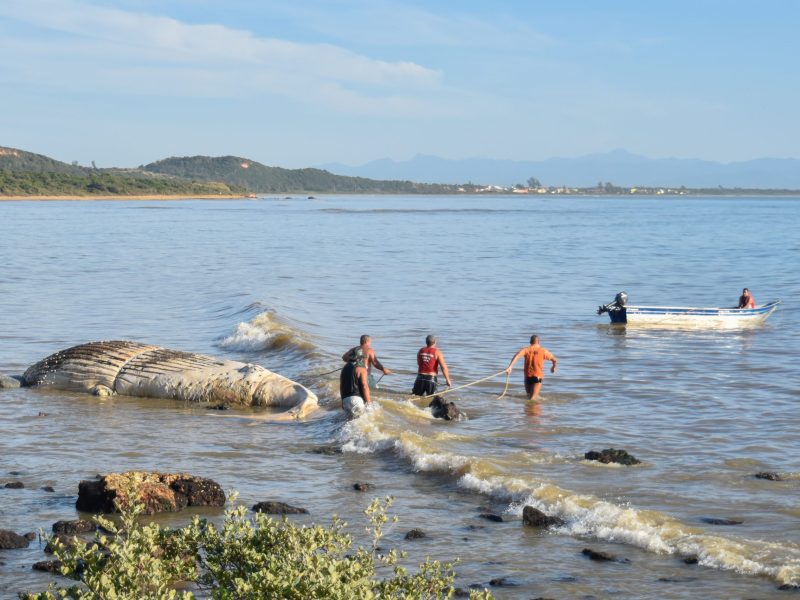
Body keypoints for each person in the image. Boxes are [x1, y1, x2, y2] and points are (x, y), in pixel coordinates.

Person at [505, 335, 558, 400]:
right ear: (539, 342)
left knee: (529, 397)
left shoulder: (526, 349)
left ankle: (528, 410)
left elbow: (517, 356)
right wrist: (553, 367)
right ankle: (531, 409)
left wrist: (510, 367)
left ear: (530, 342)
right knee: (532, 399)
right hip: (537, 377)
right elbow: (554, 360)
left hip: (527, 377)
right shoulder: (543, 351)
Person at [340, 348, 371, 418]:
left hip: (345, 400)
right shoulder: (361, 369)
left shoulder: (344, 368)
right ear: (360, 358)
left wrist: (342, 401)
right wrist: (369, 403)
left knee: (349, 422)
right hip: (356, 399)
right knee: (361, 422)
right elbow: (364, 386)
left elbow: (341, 386)